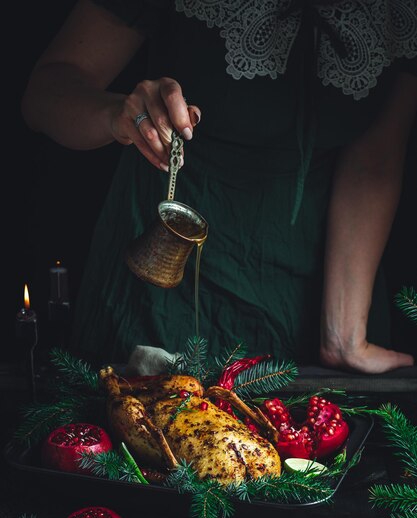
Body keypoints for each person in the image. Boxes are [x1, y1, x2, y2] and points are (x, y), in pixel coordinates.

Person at [21, 0, 417, 373]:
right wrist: (116, 115)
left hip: (322, 282)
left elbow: (374, 159)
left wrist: (345, 334)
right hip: (159, 288)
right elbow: (43, 92)